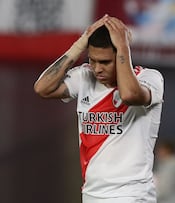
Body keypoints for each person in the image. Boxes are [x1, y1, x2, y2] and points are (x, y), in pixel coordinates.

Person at [34, 14, 164, 203]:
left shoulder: (150, 79)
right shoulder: (85, 78)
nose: (97, 69)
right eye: (93, 60)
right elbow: (42, 88)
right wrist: (80, 44)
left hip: (132, 195)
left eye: (105, 62)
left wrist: (123, 47)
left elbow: (129, 95)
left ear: (122, 54)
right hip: (92, 194)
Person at [153, 139, 175, 203]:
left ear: (167, 150)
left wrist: (150, 195)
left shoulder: (170, 166)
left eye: (161, 150)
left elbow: (165, 188)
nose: (158, 152)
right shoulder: (170, 165)